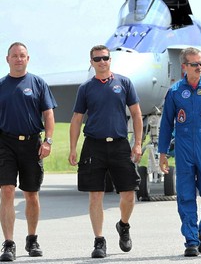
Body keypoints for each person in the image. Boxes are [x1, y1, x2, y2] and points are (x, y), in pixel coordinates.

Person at [68, 45, 143, 258]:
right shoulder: (85, 88)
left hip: (120, 144)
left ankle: (124, 225)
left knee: (128, 193)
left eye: (105, 58)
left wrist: (137, 143)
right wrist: (73, 148)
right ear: (91, 62)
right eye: (97, 59)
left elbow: (136, 114)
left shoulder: (124, 83)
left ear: (110, 60)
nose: (102, 62)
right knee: (95, 196)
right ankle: (99, 241)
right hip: (94, 145)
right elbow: (76, 119)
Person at [158, 47, 201, 257]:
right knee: (186, 195)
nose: (199, 68)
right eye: (195, 64)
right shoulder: (175, 91)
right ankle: (190, 240)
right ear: (184, 67)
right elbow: (165, 124)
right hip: (183, 146)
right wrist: (163, 153)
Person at [0, 42, 57, 261]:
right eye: (14, 56)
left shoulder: (38, 83)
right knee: (6, 190)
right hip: (5, 143)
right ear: (7, 59)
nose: (18, 59)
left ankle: (32, 239)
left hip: (32, 144)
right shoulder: (2, 85)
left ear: (28, 58)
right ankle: (8, 243)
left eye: (22, 55)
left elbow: (49, 114)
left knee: (31, 194)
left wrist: (48, 141)